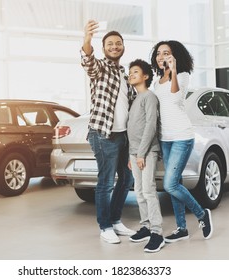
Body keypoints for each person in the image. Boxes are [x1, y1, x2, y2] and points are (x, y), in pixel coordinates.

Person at [150, 40, 213, 242]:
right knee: (175, 183)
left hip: (182, 136)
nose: (161, 56)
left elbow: (176, 99)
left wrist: (174, 71)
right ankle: (181, 228)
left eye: (166, 53)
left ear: (175, 56)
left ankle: (202, 214)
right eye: (159, 53)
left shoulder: (183, 75)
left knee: (169, 184)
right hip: (165, 137)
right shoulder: (157, 80)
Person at [81, 20, 136, 244]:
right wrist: (87, 40)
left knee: (127, 178)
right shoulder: (101, 68)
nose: (115, 46)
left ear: (123, 47)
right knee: (106, 181)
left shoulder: (124, 74)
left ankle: (115, 221)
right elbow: (88, 62)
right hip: (104, 134)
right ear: (104, 48)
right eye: (110, 44)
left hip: (123, 135)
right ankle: (104, 227)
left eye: (118, 43)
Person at [126, 59, 165, 253]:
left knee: (149, 190)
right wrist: (131, 155)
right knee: (139, 191)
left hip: (147, 151)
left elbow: (151, 126)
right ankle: (146, 227)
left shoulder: (149, 97)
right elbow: (132, 128)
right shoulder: (135, 100)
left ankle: (157, 233)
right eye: (130, 72)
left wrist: (141, 153)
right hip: (135, 153)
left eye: (135, 72)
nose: (131, 75)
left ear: (146, 76)